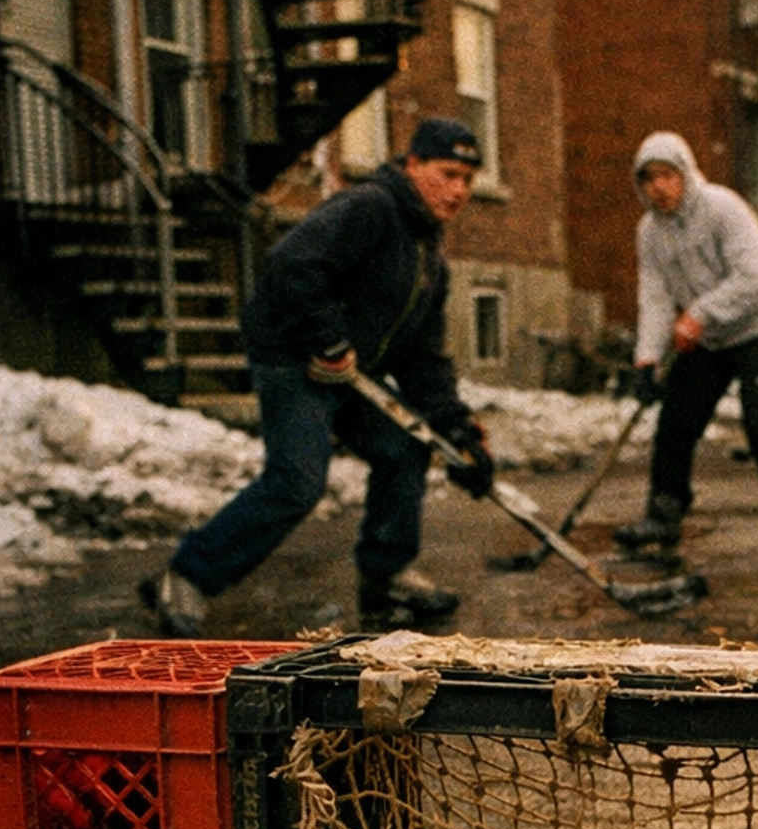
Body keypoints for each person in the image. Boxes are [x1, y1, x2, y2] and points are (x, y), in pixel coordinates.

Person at [142, 118, 496, 637]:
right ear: (412, 164)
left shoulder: (429, 255)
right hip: (295, 358)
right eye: (447, 173)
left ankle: (386, 572)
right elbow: (292, 266)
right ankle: (186, 577)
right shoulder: (371, 207)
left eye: (468, 179)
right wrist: (325, 338)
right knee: (297, 481)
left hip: (350, 371)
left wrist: (455, 429)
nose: (459, 190)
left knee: (405, 448)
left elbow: (423, 355)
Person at [617, 131, 758, 557]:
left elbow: (755, 276)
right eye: (648, 179)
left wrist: (699, 314)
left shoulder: (722, 208)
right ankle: (664, 513)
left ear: (686, 173)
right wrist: (647, 359)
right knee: (676, 419)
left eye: (667, 175)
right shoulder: (650, 233)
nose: (658, 187)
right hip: (711, 337)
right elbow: (656, 297)